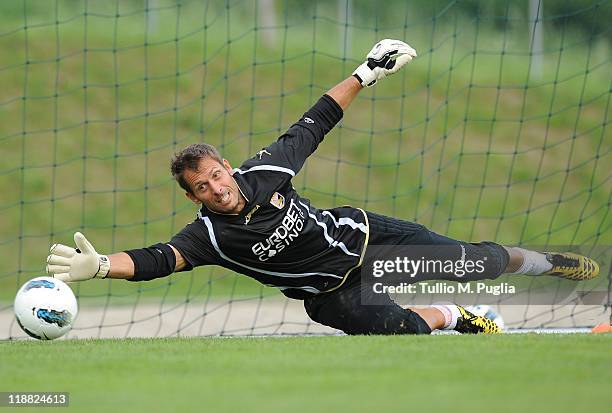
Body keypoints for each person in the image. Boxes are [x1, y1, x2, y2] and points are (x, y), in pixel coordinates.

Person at [45, 39, 599, 335]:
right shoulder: (209, 238)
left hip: (367, 240)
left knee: (474, 263)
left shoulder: (264, 171)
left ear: (228, 167)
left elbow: (315, 121)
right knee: (395, 329)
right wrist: (99, 267)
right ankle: (460, 316)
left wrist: (366, 72)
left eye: (217, 174)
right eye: (203, 187)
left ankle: (545, 263)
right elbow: (157, 259)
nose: (216, 188)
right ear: (193, 198)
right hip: (330, 295)